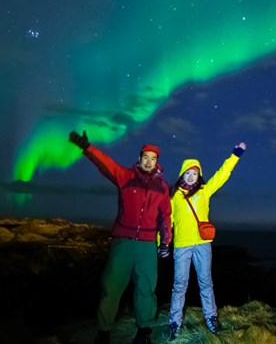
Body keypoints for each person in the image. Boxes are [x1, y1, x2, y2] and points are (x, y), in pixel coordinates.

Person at [69, 130, 172, 344]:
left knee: (146, 290)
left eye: (153, 159)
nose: (149, 161)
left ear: (157, 163)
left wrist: (166, 241)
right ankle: (103, 332)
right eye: (146, 157)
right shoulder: (125, 177)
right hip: (123, 244)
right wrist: (87, 148)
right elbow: (105, 164)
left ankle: (143, 331)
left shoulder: (162, 187)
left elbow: (165, 216)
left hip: (147, 246)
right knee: (112, 288)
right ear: (139, 159)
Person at [167, 141, 247, 340]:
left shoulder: (204, 191)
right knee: (179, 284)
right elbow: (167, 221)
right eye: (188, 172)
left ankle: (211, 317)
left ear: (198, 175)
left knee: (205, 282)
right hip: (182, 245)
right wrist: (162, 241)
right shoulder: (174, 197)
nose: (191, 176)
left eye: (195, 173)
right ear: (182, 174)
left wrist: (235, 155)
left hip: (202, 245)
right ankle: (174, 321)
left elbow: (222, 175)